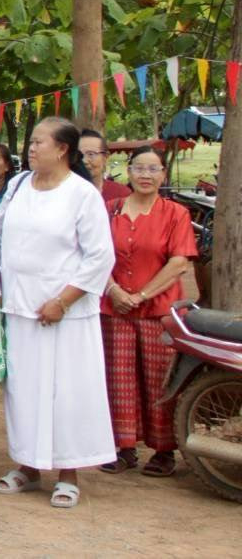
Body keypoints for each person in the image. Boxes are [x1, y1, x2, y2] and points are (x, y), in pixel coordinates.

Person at [0, 117, 115, 509]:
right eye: (30, 142)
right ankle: (28, 465)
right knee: (24, 391)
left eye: (39, 142)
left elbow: (100, 257)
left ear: (63, 149)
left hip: (65, 314)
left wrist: (63, 300)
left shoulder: (82, 194)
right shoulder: (16, 186)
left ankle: (68, 472)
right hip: (21, 307)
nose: (31, 148)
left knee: (66, 393)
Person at [99, 146, 196, 477]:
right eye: (139, 168)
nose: (145, 175)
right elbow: (97, 255)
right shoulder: (110, 210)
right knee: (118, 378)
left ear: (163, 175)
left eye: (153, 169)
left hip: (157, 309)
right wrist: (114, 290)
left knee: (159, 379)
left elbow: (180, 261)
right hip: (115, 308)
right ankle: (124, 447)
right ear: (128, 171)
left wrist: (140, 295)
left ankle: (164, 450)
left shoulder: (175, 213)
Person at [79, 129, 131, 206]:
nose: (84, 161)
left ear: (105, 157)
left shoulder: (121, 194)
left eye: (91, 154)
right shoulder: (63, 192)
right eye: (79, 155)